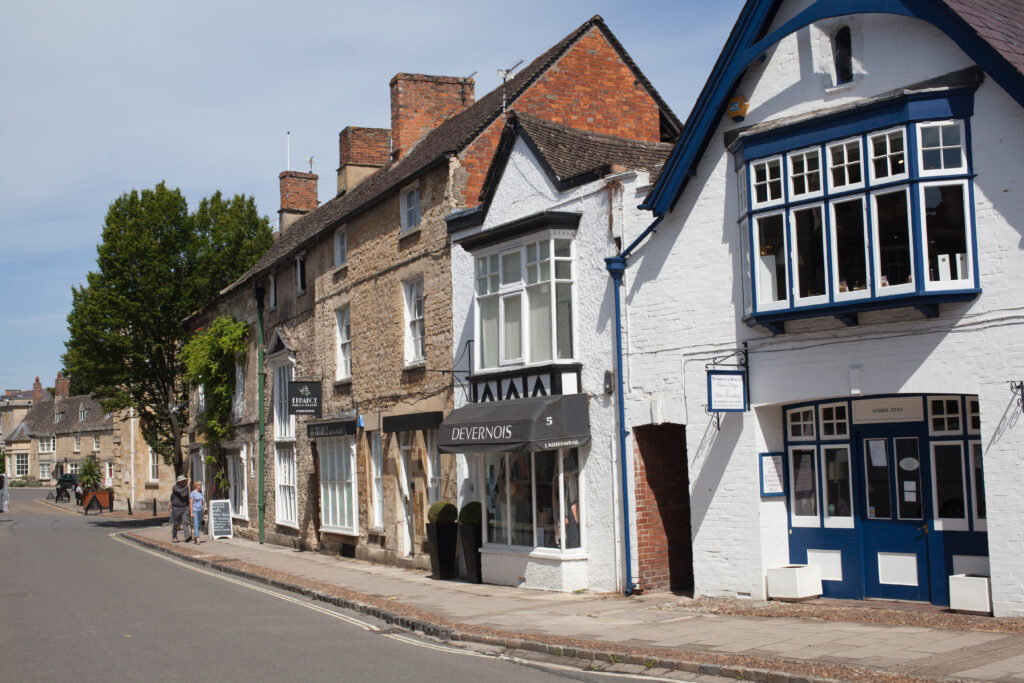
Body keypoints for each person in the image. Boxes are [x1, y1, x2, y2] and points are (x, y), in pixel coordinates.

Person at [169, 474, 191, 542]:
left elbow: (185, 495)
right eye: (182, 481)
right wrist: (187, 486)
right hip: (176, 508)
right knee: (176, 523)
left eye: (184, 481)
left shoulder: (185, 488)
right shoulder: (175, 487)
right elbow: (181, 492)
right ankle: (174, 536)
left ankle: (187, 535)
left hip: (185, 507)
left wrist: (189, 506)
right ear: (179, 481)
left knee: (185, 521)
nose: (183, 482)